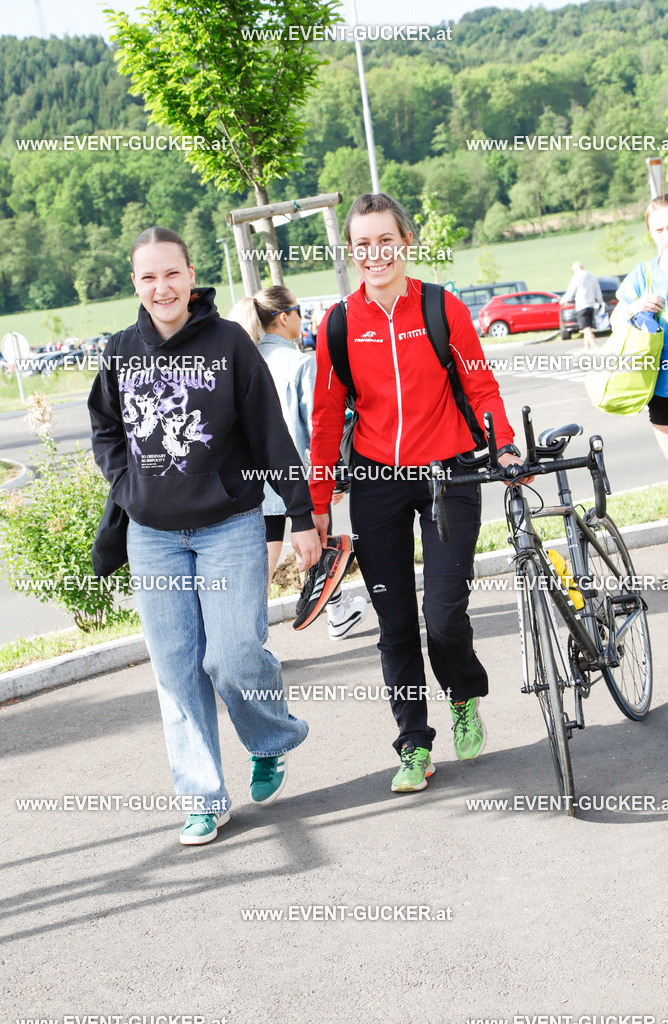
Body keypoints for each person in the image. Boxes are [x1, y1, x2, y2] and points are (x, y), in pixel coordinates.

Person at [88, 226, 321, 845]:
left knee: (234, 654)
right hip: (153, 535)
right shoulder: (119, 351)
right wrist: (129, 486)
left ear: (191, 276)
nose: (161, 287)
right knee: (175, 668)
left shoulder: (229, 344)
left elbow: (271, 433)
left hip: (229, 526)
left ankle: (270, 738)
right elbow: (106, 428)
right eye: (148, 277)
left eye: (172, 273)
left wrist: (301, 515)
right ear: (135, 283)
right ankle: (202, 797)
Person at [308, 192, 528, 793]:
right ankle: (413, 743)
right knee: (396, 621)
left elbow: (480, 387)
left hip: (447, 472)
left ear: (405, 242)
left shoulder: (441, 306)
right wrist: (318, 501)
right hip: (376, 482)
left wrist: (504, 446)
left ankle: (463, 696)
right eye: (363, 244)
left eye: (386, 240)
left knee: (445, 614)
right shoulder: (338, 324)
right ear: (350, 252)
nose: (375, 253)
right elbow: (325, 419)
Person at [229, 288, 367, 640]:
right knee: (317, 545)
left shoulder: (243, 359)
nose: (302, 318)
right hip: (302, 476)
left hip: (256, 480)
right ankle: (335, 614)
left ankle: (252, 637)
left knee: (263, 563)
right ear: (283, 317)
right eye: (298, 310)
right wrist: (336, 476)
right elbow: (321, 426)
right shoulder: (301, 364)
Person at [612, 192, 668, 576]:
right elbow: (615, 320)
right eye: (659, 229)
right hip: (661, 390)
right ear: (651, 232)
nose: (666, 235)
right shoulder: (644, 275)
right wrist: (635, 307)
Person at [560, 262, 604, 351]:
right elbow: (598, 290)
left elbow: (571, 291)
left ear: (575, 270)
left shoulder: (577, 277)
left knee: (586, 328)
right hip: (591, 306)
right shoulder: (592, 276)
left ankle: (594, 346)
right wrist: (600, 301)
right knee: (587, 327)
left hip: (581, 305)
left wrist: (563, 300)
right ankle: (586, 347)